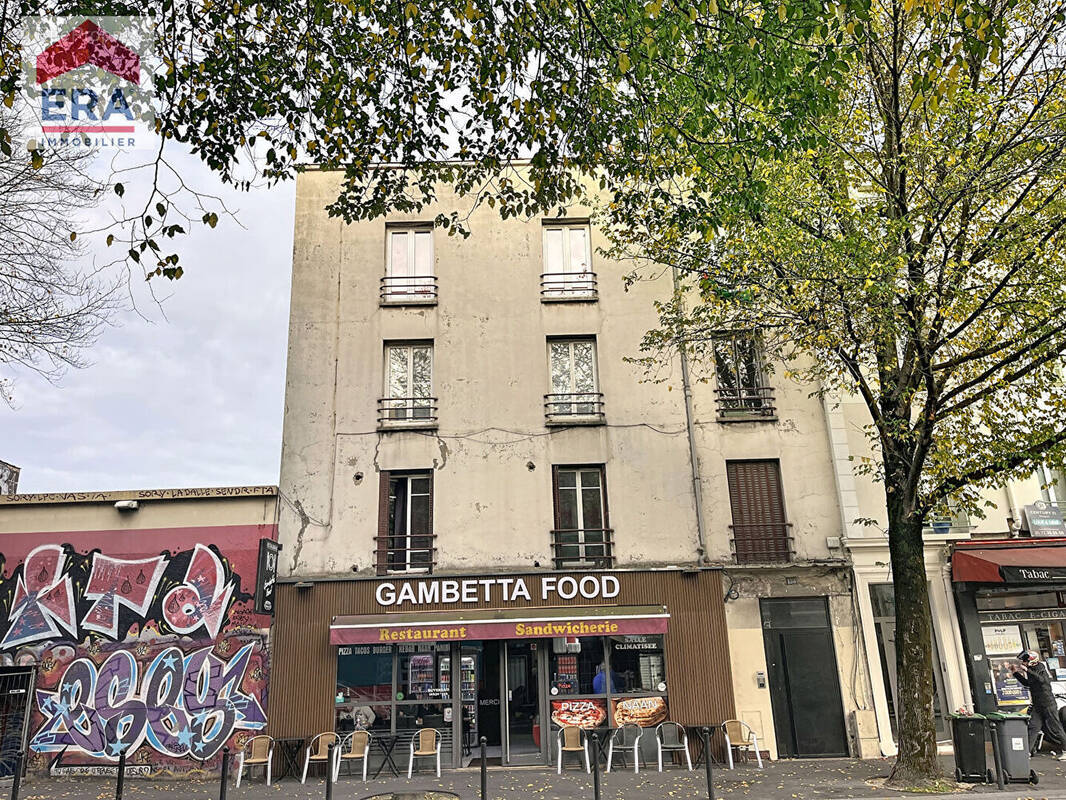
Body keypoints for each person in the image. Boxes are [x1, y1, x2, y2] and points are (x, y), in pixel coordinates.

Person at [1013, 650, 1066, 760]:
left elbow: (1042, 680)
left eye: (1025, 661)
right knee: (1033, 727)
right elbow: (1028, 684)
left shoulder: (1040, 667)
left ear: (1032, 661)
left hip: (1047, 703)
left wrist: (1027, 670)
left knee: (1055, 727)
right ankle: (1026, 752)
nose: (1023, 663)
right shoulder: (1031, 670)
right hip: (1038, 704)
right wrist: (1015, 673)